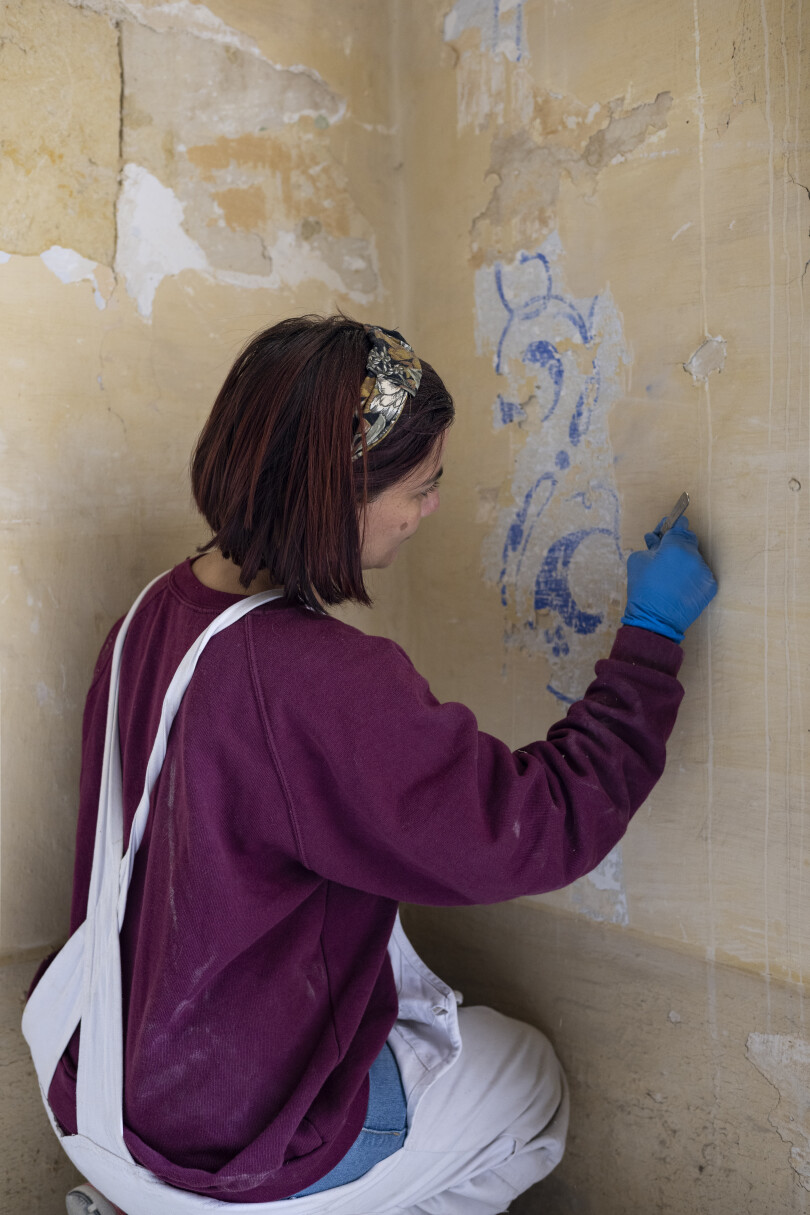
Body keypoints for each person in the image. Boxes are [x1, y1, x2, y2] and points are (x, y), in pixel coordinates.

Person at [23, 315, 717, 1215]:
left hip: (106, 1091)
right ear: (336, 498)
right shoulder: (315, 679)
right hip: (229, 1140)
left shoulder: (151, 615)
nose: (430, 509)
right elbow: (533, 828)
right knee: (530, 1083)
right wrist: (650, 642)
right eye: (421, 487)